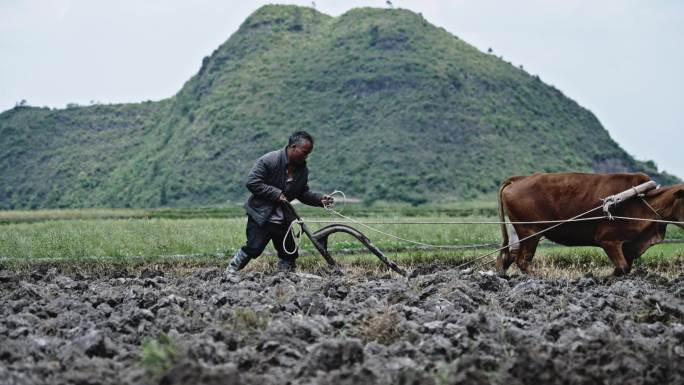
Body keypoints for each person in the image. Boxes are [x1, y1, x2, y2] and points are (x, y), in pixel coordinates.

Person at [226, 131, 333, 274]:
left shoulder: (302, 170)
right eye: (304, 152)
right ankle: (231, 271)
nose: (306, 156)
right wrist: (276, 194)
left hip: (284, 217)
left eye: (308, 153)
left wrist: (320, 199)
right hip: (262, 215)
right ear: (293, 147)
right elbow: (252, 182)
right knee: (254, 247)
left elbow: (302, 193)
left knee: (289, 251)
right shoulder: (270, 160)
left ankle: (286, 276)